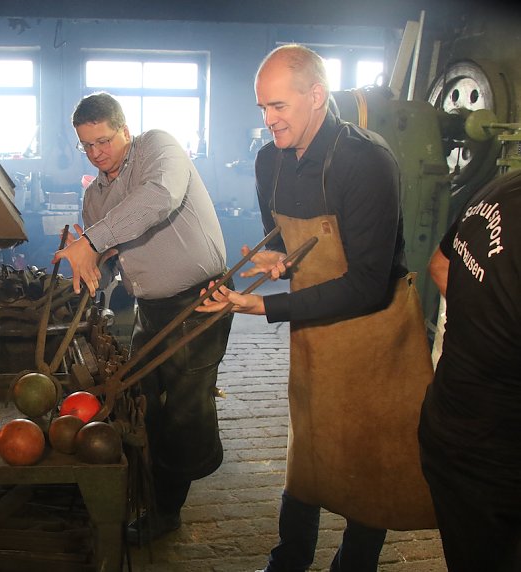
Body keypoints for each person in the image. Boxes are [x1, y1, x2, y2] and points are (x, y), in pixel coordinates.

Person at [197, 45, 435, 571]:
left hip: (374, 330)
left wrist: (266, 306)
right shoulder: (269, 162)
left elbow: (370, 284)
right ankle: (289, 559)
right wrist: (274, 256)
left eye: (279, 106)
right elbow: (285, 237)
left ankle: (355, 565)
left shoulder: (366, 162)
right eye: (262, 108)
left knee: (367, 457)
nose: (269, 119)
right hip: (316, 326)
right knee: (306, 448)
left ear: (316, 96)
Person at [52, 92, 231, 544]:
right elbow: (108, 257)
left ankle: (168, 512)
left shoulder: (157, 147)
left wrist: (92, 242)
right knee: (146, 403)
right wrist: (88, 266)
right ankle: (152, 493)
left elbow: (159, 197)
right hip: (150, 309)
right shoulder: (94, 196)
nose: (97, 153)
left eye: (104, 141)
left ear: (125, 130)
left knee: (183, 410)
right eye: (86, 145)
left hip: (200, 301)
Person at [418, 169, 521, 572]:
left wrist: (483, 327)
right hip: (498, 461)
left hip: (450, 432)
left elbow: (440, 265)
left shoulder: (504, 186)